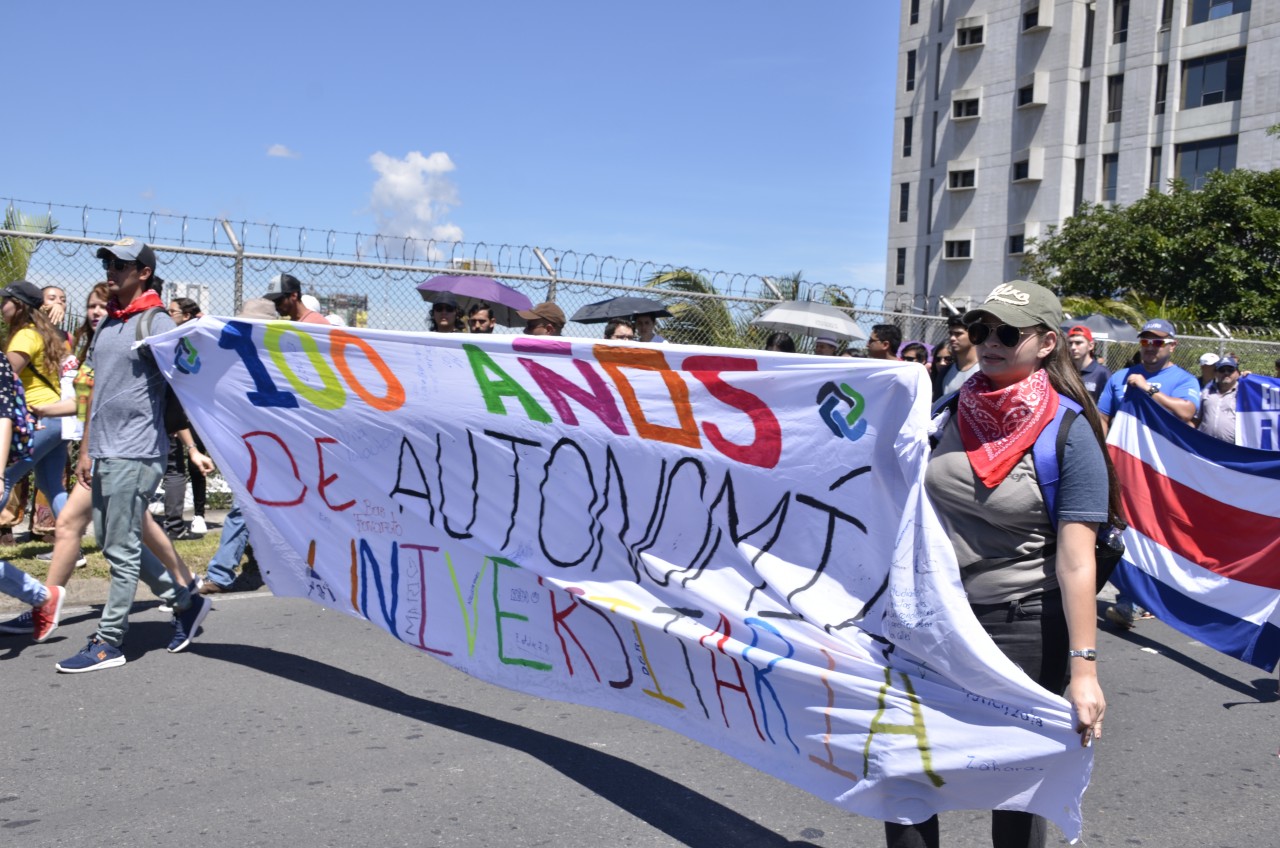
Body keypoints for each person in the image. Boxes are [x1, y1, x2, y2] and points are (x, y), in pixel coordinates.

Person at [890, 280, 1113, 848]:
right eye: (983, 329)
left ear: (1045, 343)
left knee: (1014, 795)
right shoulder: (946, 409)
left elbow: (1076, 561)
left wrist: (1083, 671)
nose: (990, 341)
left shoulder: (1069, 430)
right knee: (905, 777)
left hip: (1020, 626)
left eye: (1007, 333)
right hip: (930, 622)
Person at [55, 239, 211, 673]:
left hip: (137, 450)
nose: (112, 269)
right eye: (108, 262)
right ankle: (185, 603)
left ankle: (109, 642)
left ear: (143, 272)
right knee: (110, 540)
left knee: (121, 548)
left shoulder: (156, 322)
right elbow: (97, 395)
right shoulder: (109, 323)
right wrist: (87, 450)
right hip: (105, 450)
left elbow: (193, 369)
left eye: (122, 264)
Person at [1097, 318, 1200, 631]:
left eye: (1157, 342)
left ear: (1171, 345)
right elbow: (1103, 417)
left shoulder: (1182, 379)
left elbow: (1187, 412)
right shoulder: (1119, 377)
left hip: (1163, 474)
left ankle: (1145, 598)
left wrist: (1149, 391)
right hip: (1123, 470)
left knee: (1153, 535)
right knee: (1119, 531)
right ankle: (1128, 599)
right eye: (1145, 341)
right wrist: (1098, 454)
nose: (1150, 348)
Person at [0, 280, 72, 520]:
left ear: (19, 305)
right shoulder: (42, 334)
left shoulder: (25, 336)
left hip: (39, 417)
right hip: (57, 418)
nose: (2, 306)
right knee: (51, 484)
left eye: (5, 301)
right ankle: (72, 547)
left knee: (5, 476)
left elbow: (4, 382)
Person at [161, 298, 209, 538]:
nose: (167, 315)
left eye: (172, 311)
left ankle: (199, 513)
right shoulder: (165, 338)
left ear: (187, 315)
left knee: (195, 460)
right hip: (176, 406)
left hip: (195, 408)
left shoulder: (199, 336)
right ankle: (173, 517)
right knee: (174, 464)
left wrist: (205, 322)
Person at [1196, 356, 1240, 443]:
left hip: (1233, 448)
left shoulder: (1244, 393)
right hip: (1205, 445)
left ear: (1238, 373)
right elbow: (1196, 419)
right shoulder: (1206, 391)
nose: (1226, 373)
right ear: (1216, 373)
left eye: (1230, 370)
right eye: (1222, 370)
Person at [936, 315, 979, 398]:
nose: (952, 338)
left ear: (974, 336)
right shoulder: (944, 372)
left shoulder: (986, 370)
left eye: (958, 334)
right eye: (951, 333)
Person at [1065, 325, 1111, 402]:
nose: (1073, 347)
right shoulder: (1065, 371)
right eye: (1070, 343)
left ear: (1091, 345)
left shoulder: (1102, 373)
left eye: (1078, 343)